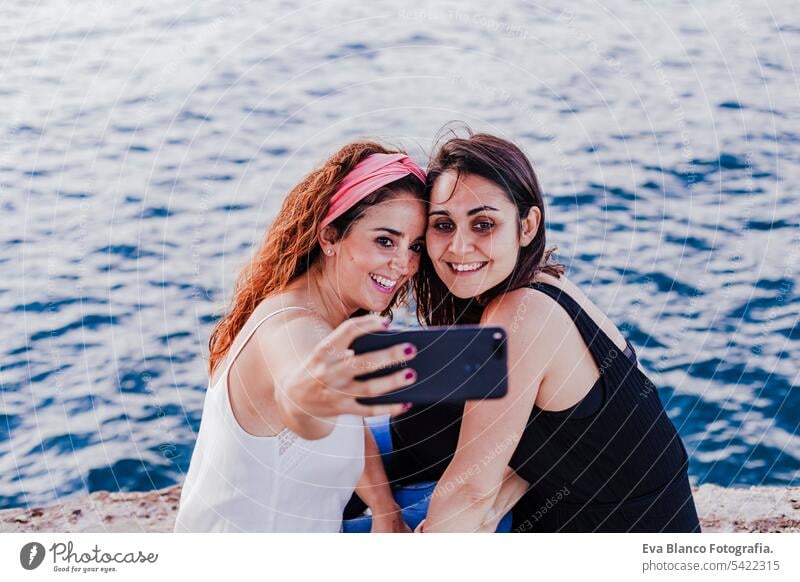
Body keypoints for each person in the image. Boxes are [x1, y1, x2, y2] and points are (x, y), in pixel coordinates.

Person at [392, 130, 701, 533]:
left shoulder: (523, 313)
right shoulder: (547, 285)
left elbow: (470, 489)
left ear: (527, 226)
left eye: (483, 224)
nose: (459, 247)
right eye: (443, 225)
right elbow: (566, 441)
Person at [174, 142, 428, 532]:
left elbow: (348, 422)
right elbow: (300, 386)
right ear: (329, 237)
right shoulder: (288, 325)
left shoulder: (324, 318)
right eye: (384, 240)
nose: (403, 263)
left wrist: (383, 507)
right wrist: (311, 401)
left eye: (415, 247)